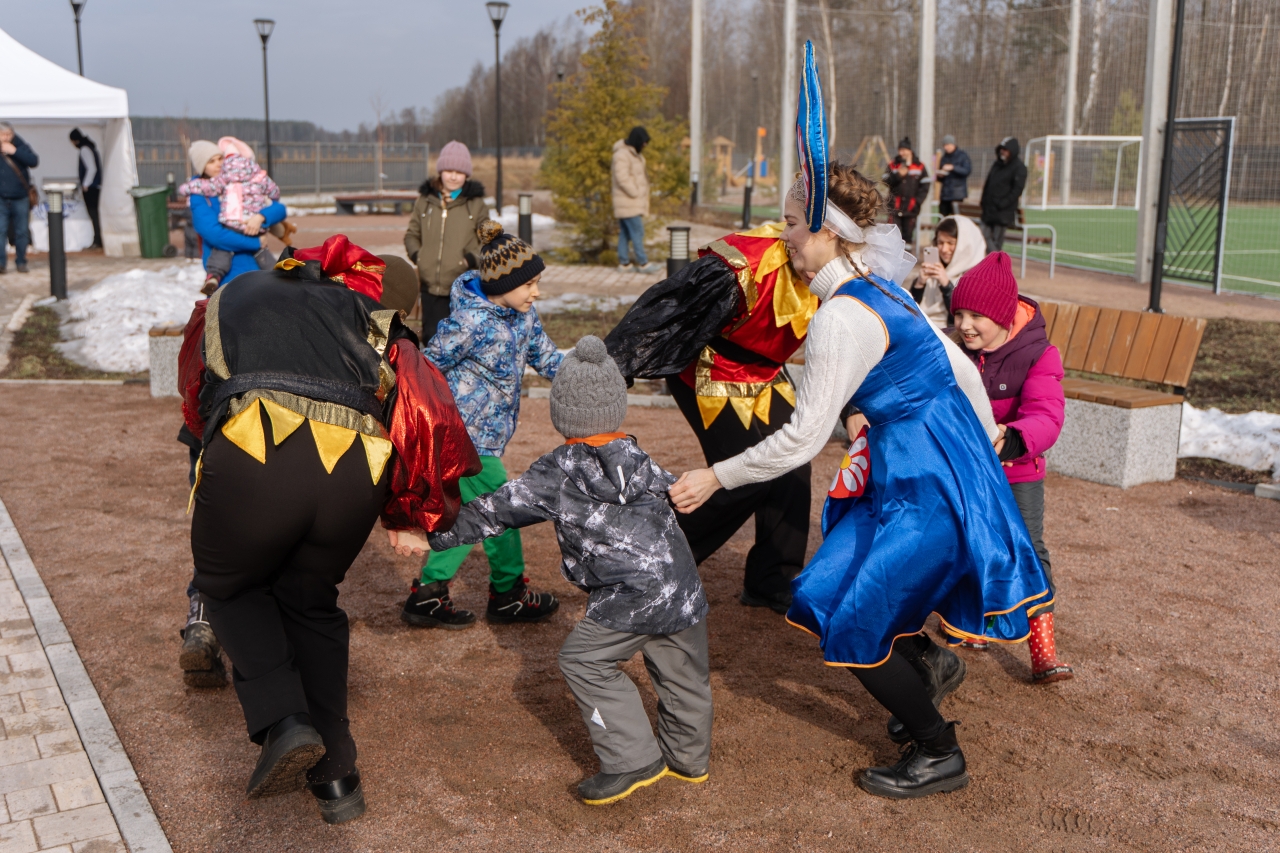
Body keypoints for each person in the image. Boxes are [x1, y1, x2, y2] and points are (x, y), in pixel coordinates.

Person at [669, 43, 1052, 800]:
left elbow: (806, 437)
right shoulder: (883, 289)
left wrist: (711, 473)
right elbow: (966, 373)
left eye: (788, 223)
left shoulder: (842, 317)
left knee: (856, 625)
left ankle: (938, 749)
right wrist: (982, 452)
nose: (779, 235)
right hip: (929, 468)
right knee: (828, 592)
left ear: (825, 232)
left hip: (923, 480)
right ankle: (928, 677)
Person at [180, 235, 480, 824]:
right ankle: (337, 776)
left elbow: (194, 390)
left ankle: (284, 719)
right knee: (310, 604)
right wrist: (412, 512)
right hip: (355, 468)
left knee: (228, 586)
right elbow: (430, 411)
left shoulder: (238, 291)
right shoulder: (373, 318)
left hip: (256, 443)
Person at [427, 336, 712, 806]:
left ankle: (633, 759)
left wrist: (435, 533)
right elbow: (673, 494)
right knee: (682, 671)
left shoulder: (558, 471)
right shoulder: (638, 456)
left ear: (563, 414)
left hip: (628, 593)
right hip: (680, 584)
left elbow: (497, 510)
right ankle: (688, 759)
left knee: (582, 660)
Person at [604, 222, 817, 615]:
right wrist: (613, 363)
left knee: (791, 466)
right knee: (743, 476)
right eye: (788, 222)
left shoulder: (846, 269)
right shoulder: (743, 264)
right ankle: (647, 568)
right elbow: (666, 309)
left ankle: (773, 580)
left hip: (766, 372)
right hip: (710, 367)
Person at [401, 220, 562, 629]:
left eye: (537, 283)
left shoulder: (523, 316)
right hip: (465, 439)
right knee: (499, 510)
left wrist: (588, 375)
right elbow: (429, 365)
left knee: (481, 513)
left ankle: (433, 595)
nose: (536, 292)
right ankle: (503, 593)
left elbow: (546, 357)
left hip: (490, 435)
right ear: (502, 284)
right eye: (529, 285)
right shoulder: (470, 323)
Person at [949, 252, 1073, 683]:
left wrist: (1015, 439)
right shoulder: (955, 347)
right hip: (966, 468)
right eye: (958, 313)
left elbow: (1047, 413)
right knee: (969, 544)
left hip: (1017, 470)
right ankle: (976, 624)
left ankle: (1043, 649)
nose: (964, 324)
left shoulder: (1037, 355)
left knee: (1028, 551)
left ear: (1002, 316)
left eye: (976, 316)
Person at [180, 137, 293, 292]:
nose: (219, 164)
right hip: (227, 271)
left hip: (254, 265)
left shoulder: (238, 183)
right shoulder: (199, 197)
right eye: (211, 161)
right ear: (201, 167)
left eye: (220, 158)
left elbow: (279, 208)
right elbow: (215, 234)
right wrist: (256, 242)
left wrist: (260, 218)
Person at [405, 140, 489, 342]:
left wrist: (470, 259)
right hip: (430, 287)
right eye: (449, 170)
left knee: (461, 341)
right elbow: (412, 234)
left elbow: (487, 240)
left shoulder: (475, 204)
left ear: (466, 174)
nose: (453, 176)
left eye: (459, 172)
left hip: (463, 287)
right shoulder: (425, 201)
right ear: (440, 171)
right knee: (432, 340)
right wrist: (419, 256)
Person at [905, 214, 986, 327]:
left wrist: (947, 285)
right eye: (940, 243)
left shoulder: (977, 276)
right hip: (923, 327)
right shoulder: (936, 269)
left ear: (965, 245)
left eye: (950, 243)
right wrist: (919, 284)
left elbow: (963, 318)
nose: (944, 249)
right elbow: (909, 310)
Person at [611, 126, 656, 273]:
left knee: (625, 233)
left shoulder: (635, 155)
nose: (645, 145)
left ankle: (624, 263)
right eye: (643, 141)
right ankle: (643, 263)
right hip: (628, 201)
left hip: (631, 202)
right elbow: (622, 177)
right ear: (637, 140)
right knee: (638, 231)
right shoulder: (622, 155)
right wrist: (635, 192)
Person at [0, 122, 38, 274]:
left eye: (9, 134)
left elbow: (34, 161)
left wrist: (14, 151)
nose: (7, 137)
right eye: (3, 135)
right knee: (0, 231)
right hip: (1, 198)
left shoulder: (19, 144)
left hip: (20, 196)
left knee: (22, 231)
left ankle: (21, 261)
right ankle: (1, 264)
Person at [979, 137, 1027, 253]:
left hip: (1002, 213)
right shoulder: (997, 165)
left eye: (1006, 150)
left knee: (995, 242)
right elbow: (988, 183)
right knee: (982, 236)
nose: (1003, 152)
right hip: (989, 211)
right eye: (1002, 149)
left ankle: (996, 264)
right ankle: (994, 262)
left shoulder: (1019, 168)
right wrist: (984, 201)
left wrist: (1002, 203)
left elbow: (1017, 190)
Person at [883, 136, 930, 242]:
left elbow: (925, 186)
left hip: (911, 208)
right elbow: (885, 180)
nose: (901, 153)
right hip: (895, 207)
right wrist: (898, 175)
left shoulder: (919, 166)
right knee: (893, 236)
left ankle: (906, 255)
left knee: (907, 237)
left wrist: (917, 201)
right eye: (900, 150)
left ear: (909, 150)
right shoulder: (893, 164)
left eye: (903, 150)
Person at [69, 128, 102, 249]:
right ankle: (98, 239)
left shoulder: (84, 149)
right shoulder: (90, 147)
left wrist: (86, 184)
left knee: (93, 213)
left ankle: (97, 240)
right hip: (95, 185)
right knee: (95, 214)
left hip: (91, 187)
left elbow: (91, 168)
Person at [936, 135, 971, 217]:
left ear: (953, 144)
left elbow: (966, 170)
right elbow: (940, 177)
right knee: (942, 218)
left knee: (957, 219)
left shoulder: (962, 156)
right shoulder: (944, 158)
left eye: (947, 145)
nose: (946, 147)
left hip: (957, 194)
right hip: (945, 194)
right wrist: (940, 175)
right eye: (944, 145)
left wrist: (953, 167)